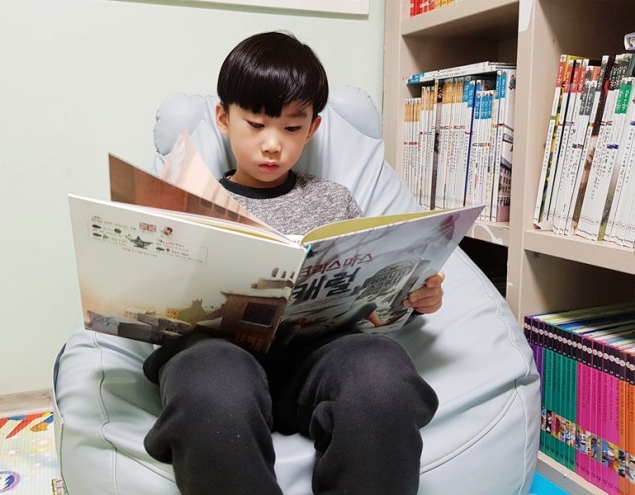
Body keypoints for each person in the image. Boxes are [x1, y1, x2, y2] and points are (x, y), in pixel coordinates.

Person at [142, 31, 442, 495]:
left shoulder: (333, 200)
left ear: (313, 128)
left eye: (291, 128)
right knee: (210, 385)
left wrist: (416, 296)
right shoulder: (193, 199)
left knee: (382, 372)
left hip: (317, 360)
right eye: (256, 124)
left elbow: (371, 296)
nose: (272, 144)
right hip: (220, 359)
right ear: (223, 119)